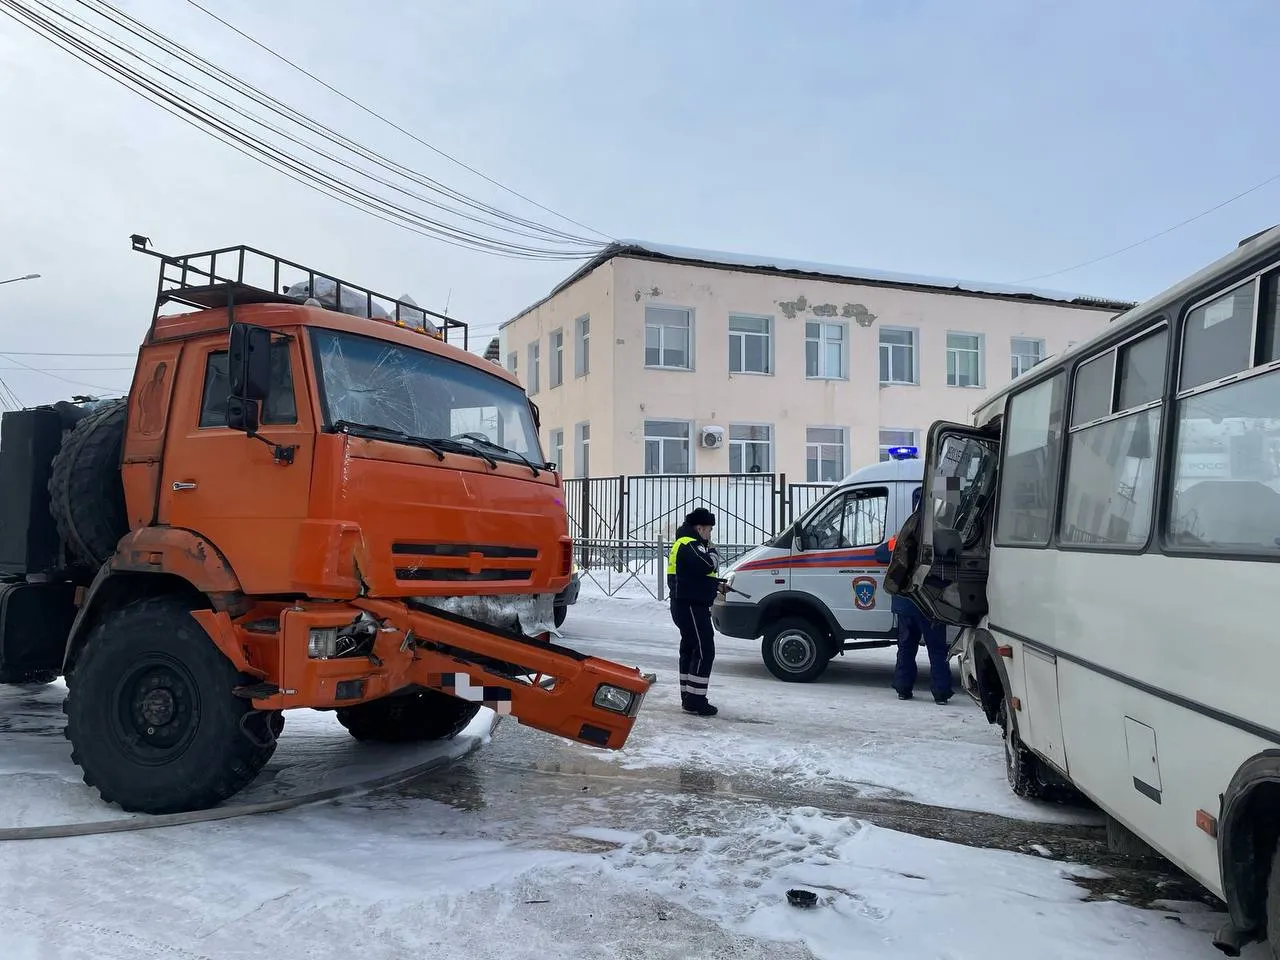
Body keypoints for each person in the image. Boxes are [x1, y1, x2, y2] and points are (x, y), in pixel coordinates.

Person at [875, 503, 953, 704]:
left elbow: (881, 554)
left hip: (906, 603)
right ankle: (941, 693)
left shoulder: (905, 532)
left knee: (906, 647)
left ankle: (903, 688)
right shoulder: (945, 534)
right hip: (931, 604)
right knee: (937, 650)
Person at [665, 507, 729, 716]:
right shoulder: (690, 544)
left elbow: (693, 577)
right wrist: (713, 551)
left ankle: (689, 695)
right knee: (704, 650)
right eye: (709, 530)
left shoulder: (686, 544)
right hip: (691, 606)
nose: (710, 534)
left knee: (691, 649)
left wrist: (715, 585)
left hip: (686, 603)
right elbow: (706, 565)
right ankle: (696, 700)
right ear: (700, 528)